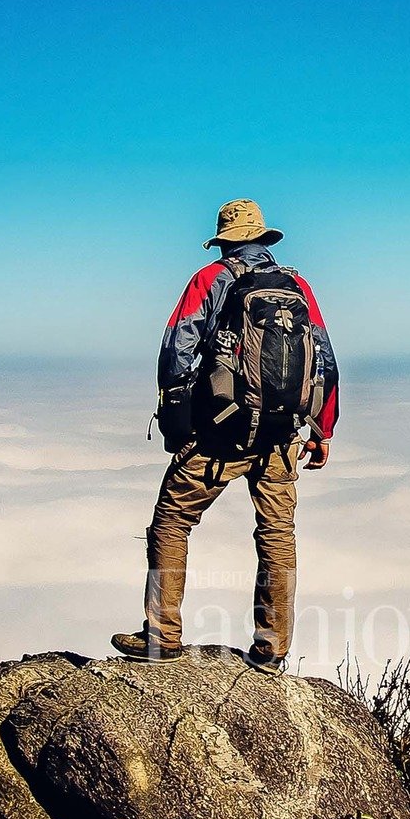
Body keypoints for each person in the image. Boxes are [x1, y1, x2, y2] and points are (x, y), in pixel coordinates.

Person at [112, 199, 340, 672]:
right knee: (277, 532)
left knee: (172, 521)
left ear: (225, 241)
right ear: (264, 238)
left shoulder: (209, 280)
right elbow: (326, 362)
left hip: (220, 434)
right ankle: (272, 646)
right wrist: (323, 431)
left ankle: (162, 635)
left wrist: (178, 422)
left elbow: (177, 349)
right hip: (281, 436)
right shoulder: (298, 286)